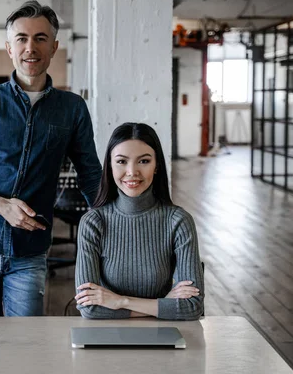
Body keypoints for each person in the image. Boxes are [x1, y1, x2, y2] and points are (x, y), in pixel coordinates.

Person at [0, 0, 102, 317]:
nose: (31, 47)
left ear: (54, 47)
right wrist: (0, 205)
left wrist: (119, 222)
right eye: (22, 39)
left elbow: (91, 176)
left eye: (40, 38)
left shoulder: (72, 108)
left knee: (26, 346)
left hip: (29, 251)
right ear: (9, 48)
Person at [74, 122, 204, 320]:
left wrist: (120, 302)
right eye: (121, 161)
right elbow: (89, 309)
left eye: (143, 161)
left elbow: (192, 306)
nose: (132, 171)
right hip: (105, 338)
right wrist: (162, 306)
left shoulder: (178, 221)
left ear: (157, 165)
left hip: (163, 338)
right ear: (109, 165)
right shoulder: (93, 222)